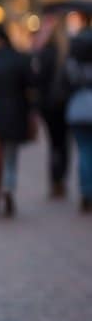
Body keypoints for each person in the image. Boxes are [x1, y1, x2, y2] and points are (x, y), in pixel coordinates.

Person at [0, 24, 34, 217]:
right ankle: (8, 189)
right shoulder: (20, 59)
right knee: (10, 157)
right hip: (16, 114)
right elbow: (30, 87)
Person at [34, 18, 72, 199]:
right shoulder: (67, 53)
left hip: (49, 105)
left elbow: (38, 80)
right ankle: (61, 178)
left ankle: (55, 179)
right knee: (64, 143)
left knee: (54, 143)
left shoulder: (46, 53)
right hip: (65, 103)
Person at [66, 23, 92, 212]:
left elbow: (65, 84)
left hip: (77, 109)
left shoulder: (72, 64)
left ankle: (86, 190)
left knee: (83, 151)